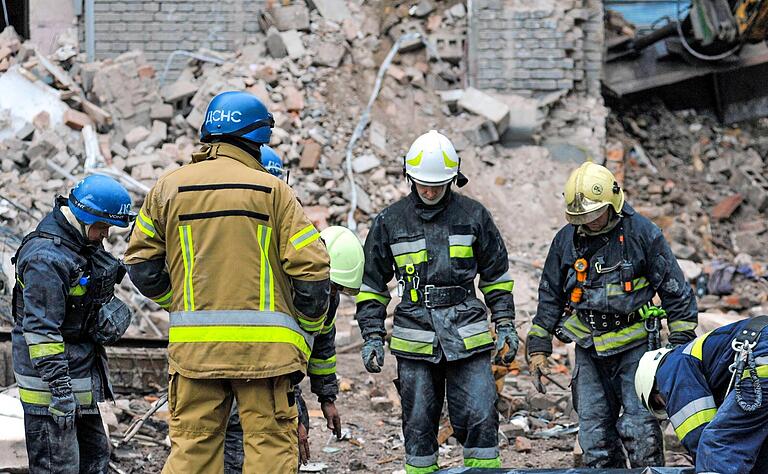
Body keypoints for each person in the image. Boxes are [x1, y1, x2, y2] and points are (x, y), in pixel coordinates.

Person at [125, 90, 330, 473]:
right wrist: (308, 325)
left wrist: (180, 300)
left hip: (195, 355)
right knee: (269, 450)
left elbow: (141, 265)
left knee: (192, 452)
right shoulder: (274, 192)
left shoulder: (168, 189)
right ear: (257, 140)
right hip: (266, 358)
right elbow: (313, 272)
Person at [356, 130, 519, 473]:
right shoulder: (390, 221)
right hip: (415, 337)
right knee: (417, 421)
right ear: (409, 178)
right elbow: (372, 285)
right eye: (423, 184)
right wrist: (372, 334)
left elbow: (496, 278)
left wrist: (505, 323)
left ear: (453, 179)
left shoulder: (474, 216)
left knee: (479, 413)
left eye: (437, 185)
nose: (429, 191)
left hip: (468, 336)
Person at [525, 161, 698, 468]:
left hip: (636, 350)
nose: (588, 223)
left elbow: (676, 292)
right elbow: (550, 295)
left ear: (612, 202)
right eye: (582, 218)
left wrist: (678, 352)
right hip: (590, 350)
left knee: (640, 429)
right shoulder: (566, 240)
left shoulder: (642, 234)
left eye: (593, 215)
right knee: (594, 434)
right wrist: (538, 347)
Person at [11, 174, 134, 473]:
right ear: (85, 218)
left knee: (95, 460)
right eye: (103, 227)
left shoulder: (79, 246)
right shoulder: (46, 259)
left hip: (78, 380)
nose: (105, 235)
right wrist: (60, 391)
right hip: (52, 391)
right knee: (59, 467)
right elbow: (41, 332)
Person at [224, 225, 363, 471]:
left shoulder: (326, 299)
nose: (329, 294)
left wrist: (327, 398)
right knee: (242, 436)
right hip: (250, 369)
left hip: (278, 373)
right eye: (328, 286)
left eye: (336, 289)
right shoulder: (283, 294)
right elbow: (283, 366)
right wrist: (294, 418)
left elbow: (321, 349)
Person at [636, 316, 768, 473]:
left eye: (660, 403)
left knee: (718, 442)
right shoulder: (706, 360)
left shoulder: (670, 367)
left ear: (655, 388)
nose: (668, 406)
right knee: (758, 431)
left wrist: (706, 466)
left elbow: (700, 434)